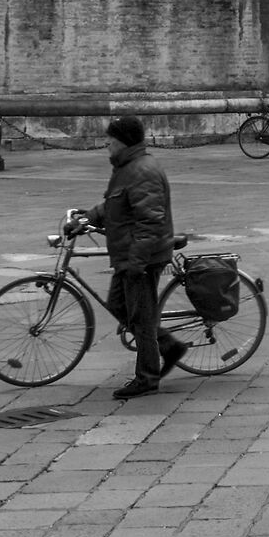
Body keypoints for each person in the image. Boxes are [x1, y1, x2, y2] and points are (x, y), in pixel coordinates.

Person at [96, 115, 184, 400]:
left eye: (110, 138)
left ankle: (146, 378)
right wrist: (87, 216)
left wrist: (137, 263)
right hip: (129, 255)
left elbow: (150, 221)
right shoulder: (128, 167)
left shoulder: (141, 170)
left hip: (143, 257)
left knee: (140, 317)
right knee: (118, 305)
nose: (106, 143)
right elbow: (115, 204)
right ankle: (168, 345)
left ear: (123, 141)